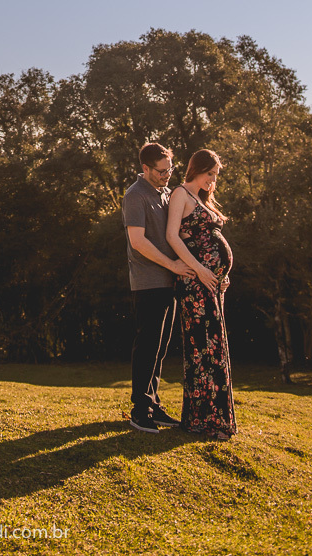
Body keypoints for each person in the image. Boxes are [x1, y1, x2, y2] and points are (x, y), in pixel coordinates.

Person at [122, 142, 195, 433]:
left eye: (170, 169)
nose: (168, 175)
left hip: (168, 280)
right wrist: (173, 265)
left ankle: (153, 403)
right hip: (149, 281)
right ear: (146, 169)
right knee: (148, 346)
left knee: (161, 347)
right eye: (162, 171)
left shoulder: (164, 193)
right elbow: (138, 242)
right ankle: (140, 411)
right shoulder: (135, 195)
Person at [166, 148, 237, 441]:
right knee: (202, 349)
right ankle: (203, 421)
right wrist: (201, 270)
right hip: (195, 283)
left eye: (216, 176)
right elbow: (172, 237)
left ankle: (218, 420)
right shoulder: (181, 194)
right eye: (210, 174)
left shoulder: (202, 199)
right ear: (198, 169)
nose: (213, 181)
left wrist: (223, 274)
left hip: (211, 284)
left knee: (215, 348)